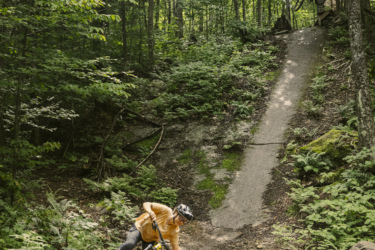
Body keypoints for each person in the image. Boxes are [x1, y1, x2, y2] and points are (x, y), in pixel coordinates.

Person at [117, 202, 194, 250]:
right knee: (130, 244)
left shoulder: (175, 231)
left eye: (184, 221)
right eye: (181, 218)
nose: (182, 222)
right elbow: (146, 204)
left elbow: (175, 248)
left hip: (151, 240)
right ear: (176, 212)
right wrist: (150, 212)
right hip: (139, 228)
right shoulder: (166, 211)